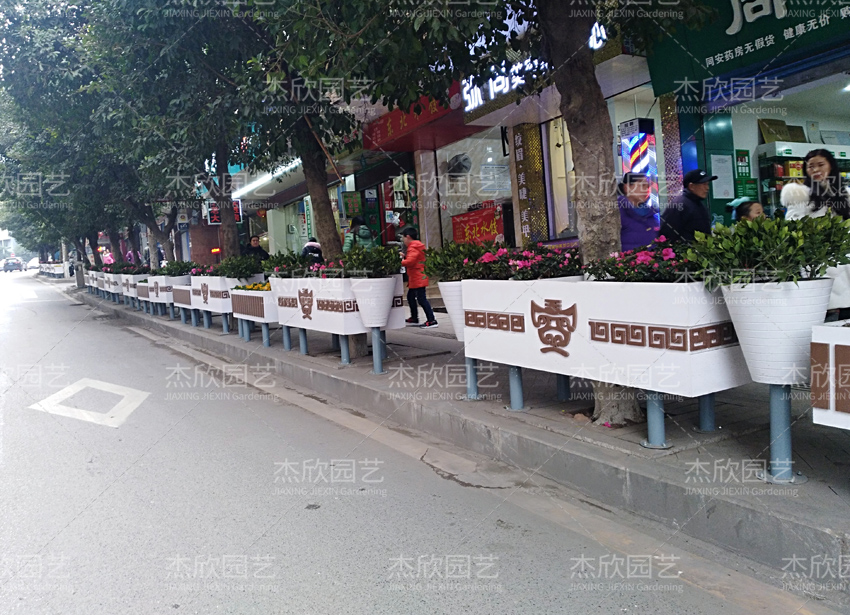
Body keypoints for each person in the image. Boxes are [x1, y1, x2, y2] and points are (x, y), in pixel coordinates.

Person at [781, 148, 850, 320]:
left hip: (845, 263)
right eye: (811, 166)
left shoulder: (845, 195)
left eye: (821, 164)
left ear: (831, 166)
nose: (816, 170)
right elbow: (793, 230)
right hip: (818, 264)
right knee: (826, 317)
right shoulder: (799, 195)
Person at [658, 169, 717, 244]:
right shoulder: (679, 205)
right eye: (703, 184)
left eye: (707, 184)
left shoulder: (699, 204)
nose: (707, 188)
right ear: (691, 186)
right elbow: (667, 233)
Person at [400, 228, 437, 329]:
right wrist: (405, 256)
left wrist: (400, 261)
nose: (403, 240)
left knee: (421, 299)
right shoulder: (416, 246)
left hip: (418, 277)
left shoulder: (414, 247)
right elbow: (413, 259)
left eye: (404, 238)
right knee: (410, 297)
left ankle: (432, 320)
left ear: (408, 237)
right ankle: (414, 317)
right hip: (416, 277)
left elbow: (410, 262)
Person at [617, 172, 659, 251]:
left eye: (647, 186)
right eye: (642, 185)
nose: (646, 190)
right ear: (627, 188)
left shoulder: (651, 214)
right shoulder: (617, 212)